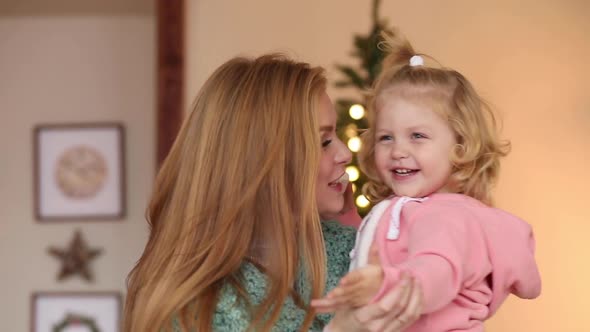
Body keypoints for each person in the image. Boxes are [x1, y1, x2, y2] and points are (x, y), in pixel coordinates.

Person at [123, 54, 422, 332]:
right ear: (264, 161)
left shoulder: (350, 250)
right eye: (323, 142)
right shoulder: (194, 310)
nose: (344, 153)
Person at [311, 29, 542, 331]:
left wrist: (387, 283)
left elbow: (437, 271)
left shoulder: (445, 215)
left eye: (417, 136)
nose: (398, 151)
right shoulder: (410, 208)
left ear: (460, 145)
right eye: (386, 137)